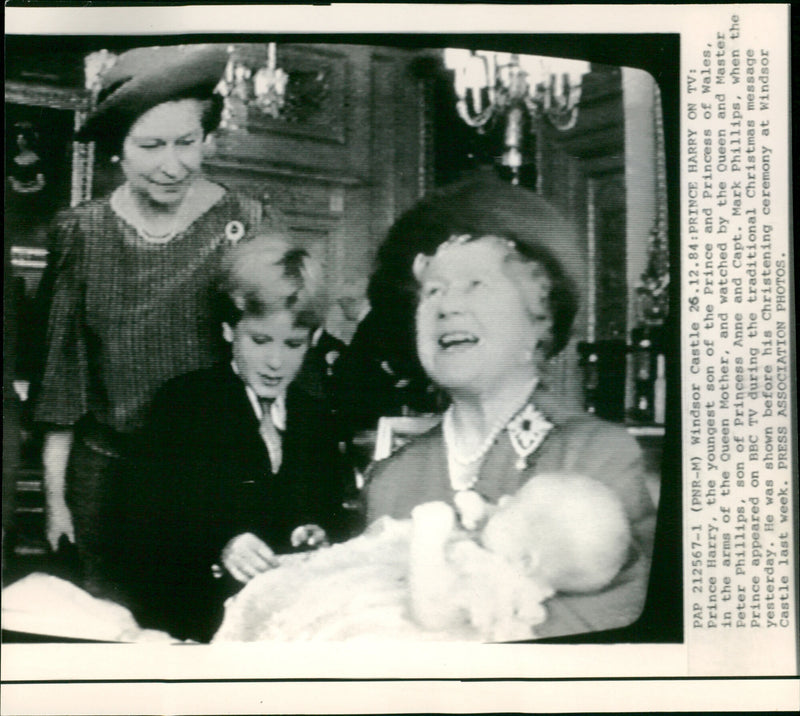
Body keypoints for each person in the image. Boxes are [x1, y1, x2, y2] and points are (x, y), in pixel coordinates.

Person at [365, 176, 657, 639]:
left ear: (536, 321)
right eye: (433, 291)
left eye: (475, 285)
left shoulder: (598, 454)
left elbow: (617, 622)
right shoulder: (391, 480)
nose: (446, 307)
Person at [32, 44, 270, 595]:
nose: (173, 164)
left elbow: (277, 365)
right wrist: (55, 502)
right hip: (104, 480)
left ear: (207, 138)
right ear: (117, 150)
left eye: (188, 142)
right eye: (150, 145)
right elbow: (61, 380)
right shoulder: (80, 234)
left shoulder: (246, 222)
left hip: (211, 483)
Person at [108, 235, 352, 642]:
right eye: (259, 340)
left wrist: (314, 530)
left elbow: (329, 509)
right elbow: (139, 523)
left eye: (293, 344)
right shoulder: (185, 402)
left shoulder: (315, 417)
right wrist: (220, 546)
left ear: (312, 339)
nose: (276, 362)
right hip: (192, 618)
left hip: (284, 624)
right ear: (228, 330)